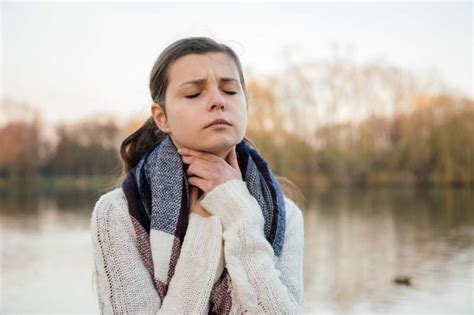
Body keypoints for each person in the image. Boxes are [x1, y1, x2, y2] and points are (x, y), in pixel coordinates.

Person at [90, 36, 305, 314]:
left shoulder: (284, 215)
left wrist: (240, 213)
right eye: (194, 93)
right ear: (161, 117)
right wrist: (203, 227)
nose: (218, 101)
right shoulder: (118, 214)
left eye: (229, 90)